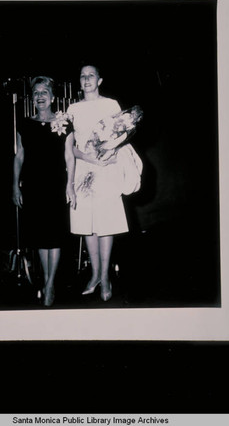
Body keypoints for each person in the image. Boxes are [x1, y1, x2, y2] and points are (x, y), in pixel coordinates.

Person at [65, 65, 129, 302]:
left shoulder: (111, 105)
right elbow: (69, 147)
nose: (86, 79)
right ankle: (94, 276)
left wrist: (108, 156)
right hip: (83, 169)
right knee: (88, 224)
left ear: (100, 80)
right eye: (82, 76)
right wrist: (87, 157)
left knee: (106, 223)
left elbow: (121, 136)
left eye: (91, 75)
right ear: (79, 82)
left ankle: (105, 277)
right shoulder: (72, 109)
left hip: (106, 169)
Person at [12, 76, 75, 307]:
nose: (40, 96)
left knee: (55, 235)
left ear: (52, 97)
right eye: (36, 92)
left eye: (44, 92)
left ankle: (49, 285)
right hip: (34, 187)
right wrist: (14, 185)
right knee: (40, 236)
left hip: (56, 185)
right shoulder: (25, 124)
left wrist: (70, 184)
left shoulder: (64, 122)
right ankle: (49, 281)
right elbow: (19, 156)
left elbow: (69, 156)